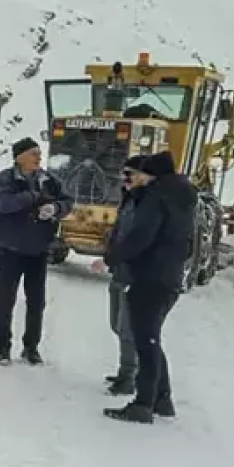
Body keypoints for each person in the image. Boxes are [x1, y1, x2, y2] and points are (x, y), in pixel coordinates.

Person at [91, 151, 196, 423]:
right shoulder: (182, 199)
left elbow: (141, 236)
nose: (138, 179)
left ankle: (143, 404)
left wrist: (110, 258)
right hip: (168, 277)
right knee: (150, 339)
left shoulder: (155, 197)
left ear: (153, 175)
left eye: (141, 174)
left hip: (149, 277)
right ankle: (162, 399)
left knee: (144, 341)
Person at [0, 136, 75, 365]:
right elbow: (4, 205)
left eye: (39, 153)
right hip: (10, 249)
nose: (39, 157)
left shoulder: (49, 180)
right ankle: (3, 346)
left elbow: (68, 202)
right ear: (20, 158)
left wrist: (55, 208)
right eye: (33, 153)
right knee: (7, 299)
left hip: (38, 250)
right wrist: (34, 197)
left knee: (36, 301)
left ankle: (31, 347)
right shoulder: (5, 179)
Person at [101, 156, 146, 396]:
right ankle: (128, 371)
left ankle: (129, 376)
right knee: (116, 325)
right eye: (123, 174)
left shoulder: (147, 204)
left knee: (127, 328)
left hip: (133, 274)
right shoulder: (128, 199)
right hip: (119, 271)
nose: (124, 179)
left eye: (129, 175)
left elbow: (137, 240)